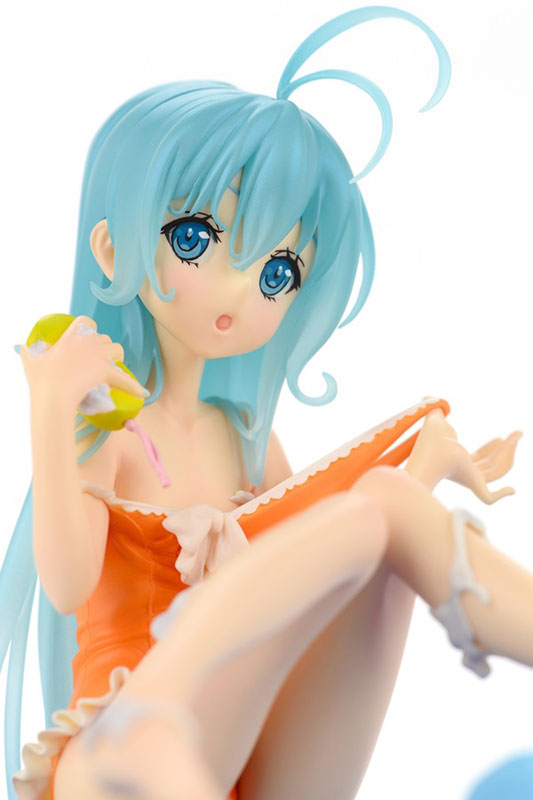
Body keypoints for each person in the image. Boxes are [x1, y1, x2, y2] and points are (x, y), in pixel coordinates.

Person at [2, 7, 531, 800]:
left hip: (234, 754)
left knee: (382, 501)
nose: (238, 290)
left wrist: (422, 469)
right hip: (114, 756)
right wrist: (50, 405)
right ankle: (155, 743)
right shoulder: (109, 429)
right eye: (195, 239)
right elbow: (68, 584)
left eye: (278, 271)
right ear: (112, 249)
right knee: (143, 738)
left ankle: (485, 606)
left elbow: (330, 560)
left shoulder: (244, 439)